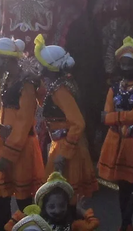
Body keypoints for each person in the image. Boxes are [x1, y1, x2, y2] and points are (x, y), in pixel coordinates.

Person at [0, 37, 44, 230]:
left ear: (7, 60)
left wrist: (9, 154)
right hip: (4, 146)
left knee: (24, 201)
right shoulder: (8, 79)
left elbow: (24, 122)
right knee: (1, 199)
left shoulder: (26, 84)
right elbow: (3, 112)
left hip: (20, 150)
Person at [97, 37, 133, 231]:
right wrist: (122, 117)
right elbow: (104, 116)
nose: (125, 66)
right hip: (117, 146)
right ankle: (126, 225)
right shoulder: (114, 88)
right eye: (122, 63)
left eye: (129, 63)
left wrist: (114, 117)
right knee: (123, 191)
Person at [34, 35, 98, 199]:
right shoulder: (61, 83)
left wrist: (65, 152)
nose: (39, 67)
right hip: (61, 145)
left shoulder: (60, 90)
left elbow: (78, 123)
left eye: (42, 64)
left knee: (64, 200)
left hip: (66, 149)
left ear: (50, 68)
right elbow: (50, 106)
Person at [4, 172, 99, 231]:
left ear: (67, 205)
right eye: (51, 206)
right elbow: (9, 227)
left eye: (62, 205)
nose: (57, 210)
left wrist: (80, 210)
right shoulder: (35, 224)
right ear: (43, 207)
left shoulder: (73, 226)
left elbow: (93, 225)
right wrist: (27, 215)